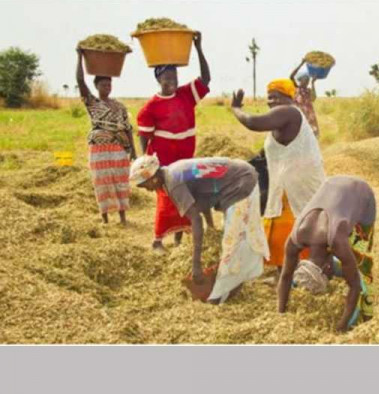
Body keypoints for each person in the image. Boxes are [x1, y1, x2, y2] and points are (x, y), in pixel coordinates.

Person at [129, 154, 269, 304]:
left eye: (145, 185)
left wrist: (196, 265)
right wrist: (211, 227)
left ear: (153, 178)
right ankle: (231, 284)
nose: (147, 190)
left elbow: (196, 219)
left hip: (240, 183)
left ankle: (221, 293)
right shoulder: (171, 173)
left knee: (233, 242)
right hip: (239, 176)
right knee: (234, 237)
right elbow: (201, 196)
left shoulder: (174, 183)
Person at [230, 80, 326, 276]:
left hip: (298, 185)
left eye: (276, 96)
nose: (271, 101)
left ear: (289, 97)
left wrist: (235, 109)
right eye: (269, 97)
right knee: (283, 231)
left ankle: (303, 274)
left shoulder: (289, 112)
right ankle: (284, 275)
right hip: (286, 185)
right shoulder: (283, 118)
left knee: (296, 228)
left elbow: (253, 122)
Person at [136, 31, 213, 253]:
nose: (171, 82)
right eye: (167, 78)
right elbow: (144, 135)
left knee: (186, 198)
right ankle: (158, 241)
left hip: (185, 159)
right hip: (165, 162)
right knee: (167, 201)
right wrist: (147, 162)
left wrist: (198, 48)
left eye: (174, 78)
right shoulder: (151, 106)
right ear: (158, 79)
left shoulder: (185, 95)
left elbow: (206, 79)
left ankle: (179, 241)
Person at [278, 176, 376, 332]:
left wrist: (342, 326)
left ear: (327, 266)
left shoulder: (337, 240)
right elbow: (286, 276)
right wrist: (281, 314)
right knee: (348, 260)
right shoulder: (295, 238)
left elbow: (355, 285)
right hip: (332, 184)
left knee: (362, 264)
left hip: (360, 193)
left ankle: (367, 314)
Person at [76, 48, 136, 225]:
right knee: (102, 183)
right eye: (103, 85)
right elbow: (80, 80)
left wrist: (133, 150)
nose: (107, 88)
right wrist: (79, 57)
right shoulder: (93, 103)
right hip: (99, 149)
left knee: (120, 181)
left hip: (118, 149)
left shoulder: (119, 106)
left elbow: (128, 129)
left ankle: (123, 218)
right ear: (96, 86)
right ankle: (105, 219)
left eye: (109, 85)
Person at [290, 58, 319, 138]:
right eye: (305, 79)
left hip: (309, 117)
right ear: (300, 80)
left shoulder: (308, 91)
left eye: (308, 80)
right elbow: (291, 76)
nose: (307, 81)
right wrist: (301, 63)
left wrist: (313, 83)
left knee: (310, 136)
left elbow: (313, 98)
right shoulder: (296, 88)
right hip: (298, 116)